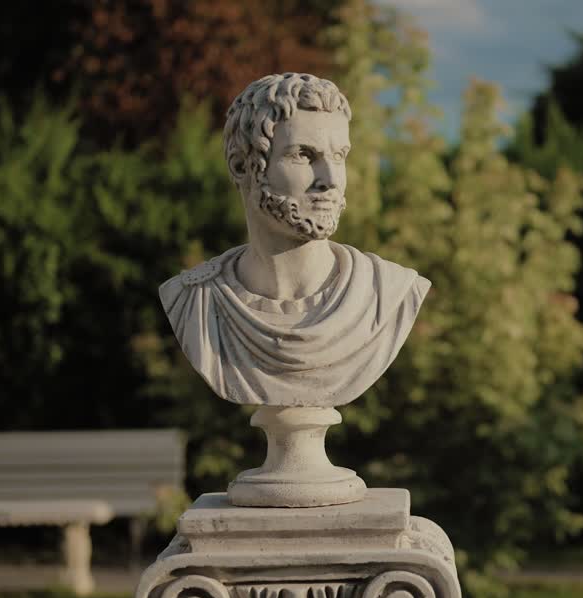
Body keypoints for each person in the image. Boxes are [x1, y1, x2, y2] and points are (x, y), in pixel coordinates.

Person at [159, 73, 430, 407]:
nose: (330, 180)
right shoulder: (195, 300)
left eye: (339, 156)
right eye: (304, 155)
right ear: (242, 166)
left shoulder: (387, 292)